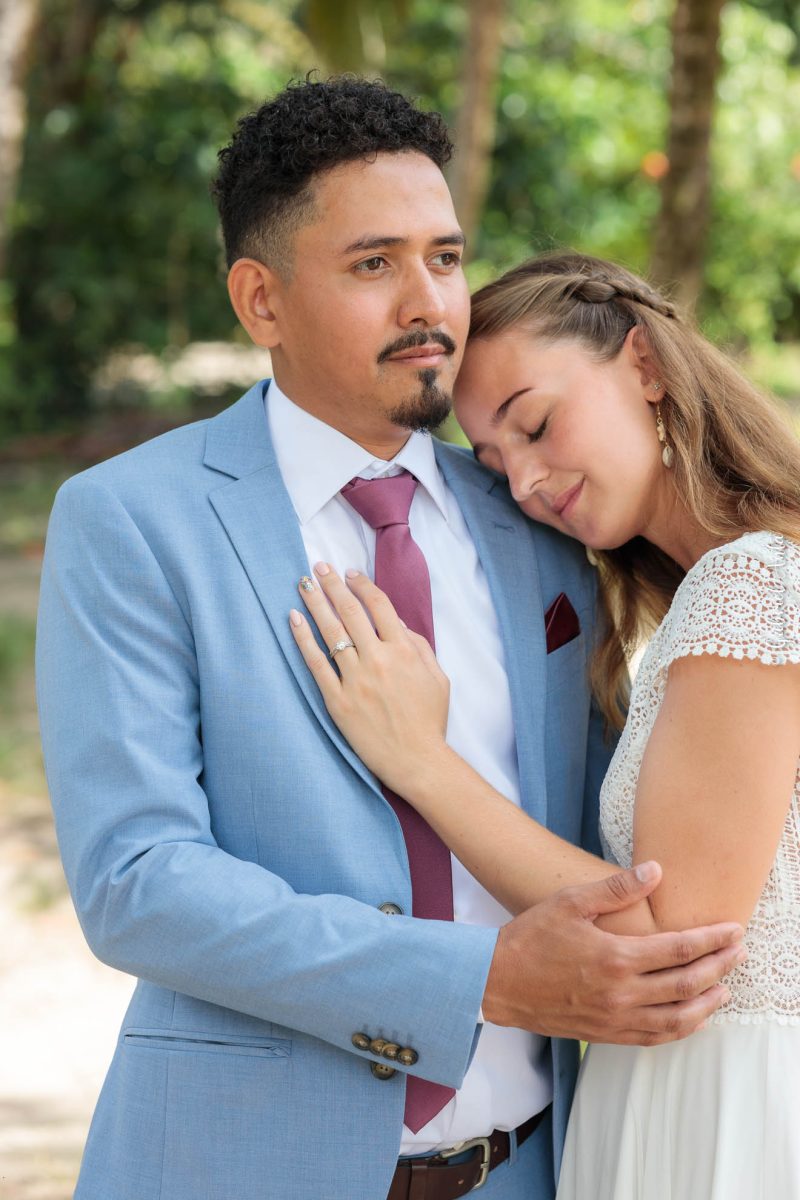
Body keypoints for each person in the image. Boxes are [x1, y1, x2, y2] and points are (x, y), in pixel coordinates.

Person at [36, 82, 743, 1200]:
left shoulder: (541, 524)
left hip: (540, 1168)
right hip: (243, 1168)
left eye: (446, 257)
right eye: (374, 264)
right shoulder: (134, 520)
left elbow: (617, 838)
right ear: (260, 299)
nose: (429, 303)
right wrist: (480, 980)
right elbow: (138, 880)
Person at [289, 251, 800, 1198]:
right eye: (493, 463)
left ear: (644, 366)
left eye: (535, 424)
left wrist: (423, 762)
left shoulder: (751, 582)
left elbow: (668, 935)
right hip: (674, 1097)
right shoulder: (704, 594)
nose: (524, 483)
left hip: (729, 1122)